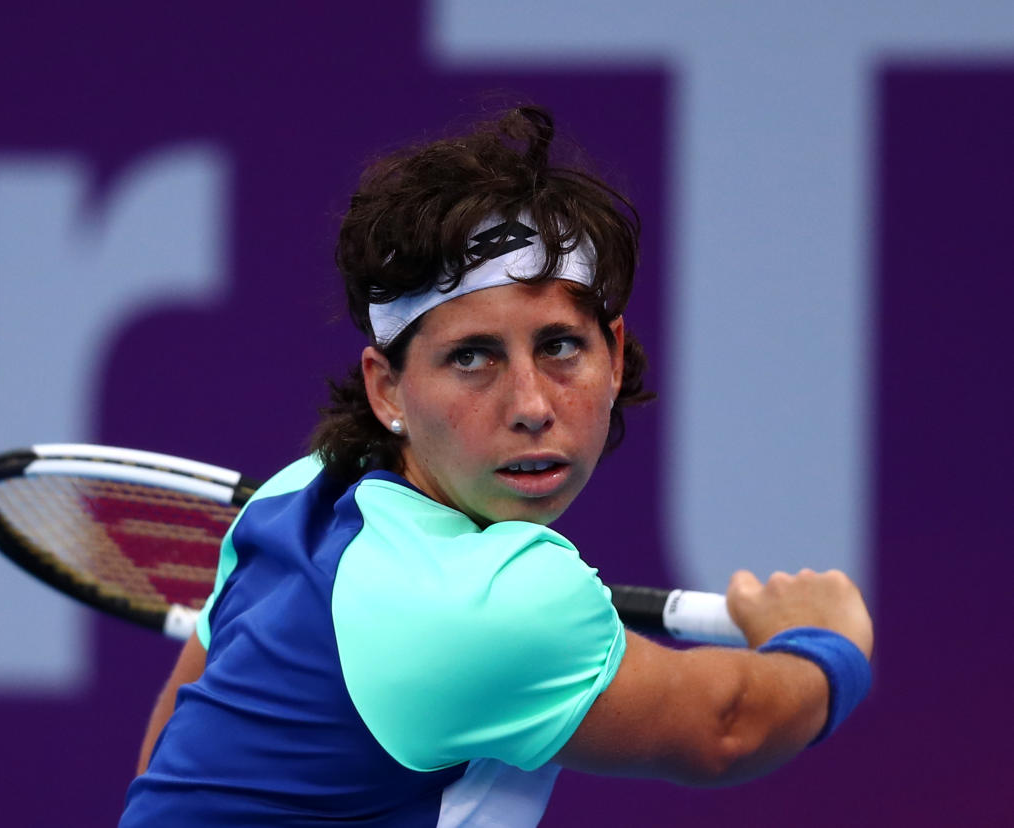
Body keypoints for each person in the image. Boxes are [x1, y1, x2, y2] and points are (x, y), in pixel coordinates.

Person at [118, 106, 873, 827]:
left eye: (559, 346)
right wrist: (823, 643)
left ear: (612, 353)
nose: (531, 403)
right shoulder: (494, 605)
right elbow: (729, 726)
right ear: (388, 388)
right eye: (471, 358)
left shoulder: (298, 494)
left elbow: (171, 751)